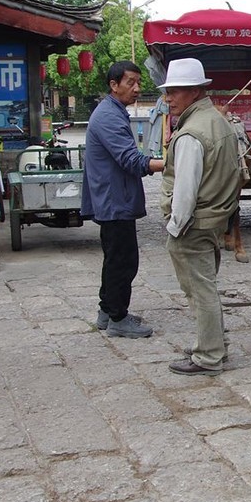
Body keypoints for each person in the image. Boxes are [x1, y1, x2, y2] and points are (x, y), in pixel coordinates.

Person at [157, 58, 243, 376]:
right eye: (168, 91)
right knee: (205, 285)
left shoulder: (192, 132)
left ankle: (208, 355)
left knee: (199, 289)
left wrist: (175, 226)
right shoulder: (217, 121)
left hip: (194, 223)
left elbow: (185, 190)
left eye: (175, 91)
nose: (169, 98)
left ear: (194, 91)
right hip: (214, 218)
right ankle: (214, 344)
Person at [81, 60, 165, 338]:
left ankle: (107, 311)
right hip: (113, 200)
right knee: (124, 261)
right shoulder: (108, 116)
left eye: (139, 82)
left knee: (114, 258)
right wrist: (169, 163)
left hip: (113, 198)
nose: (137, 88)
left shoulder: (113, 111)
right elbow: (130, 159)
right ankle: (118, 318)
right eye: (131, 82)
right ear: (113, 85)